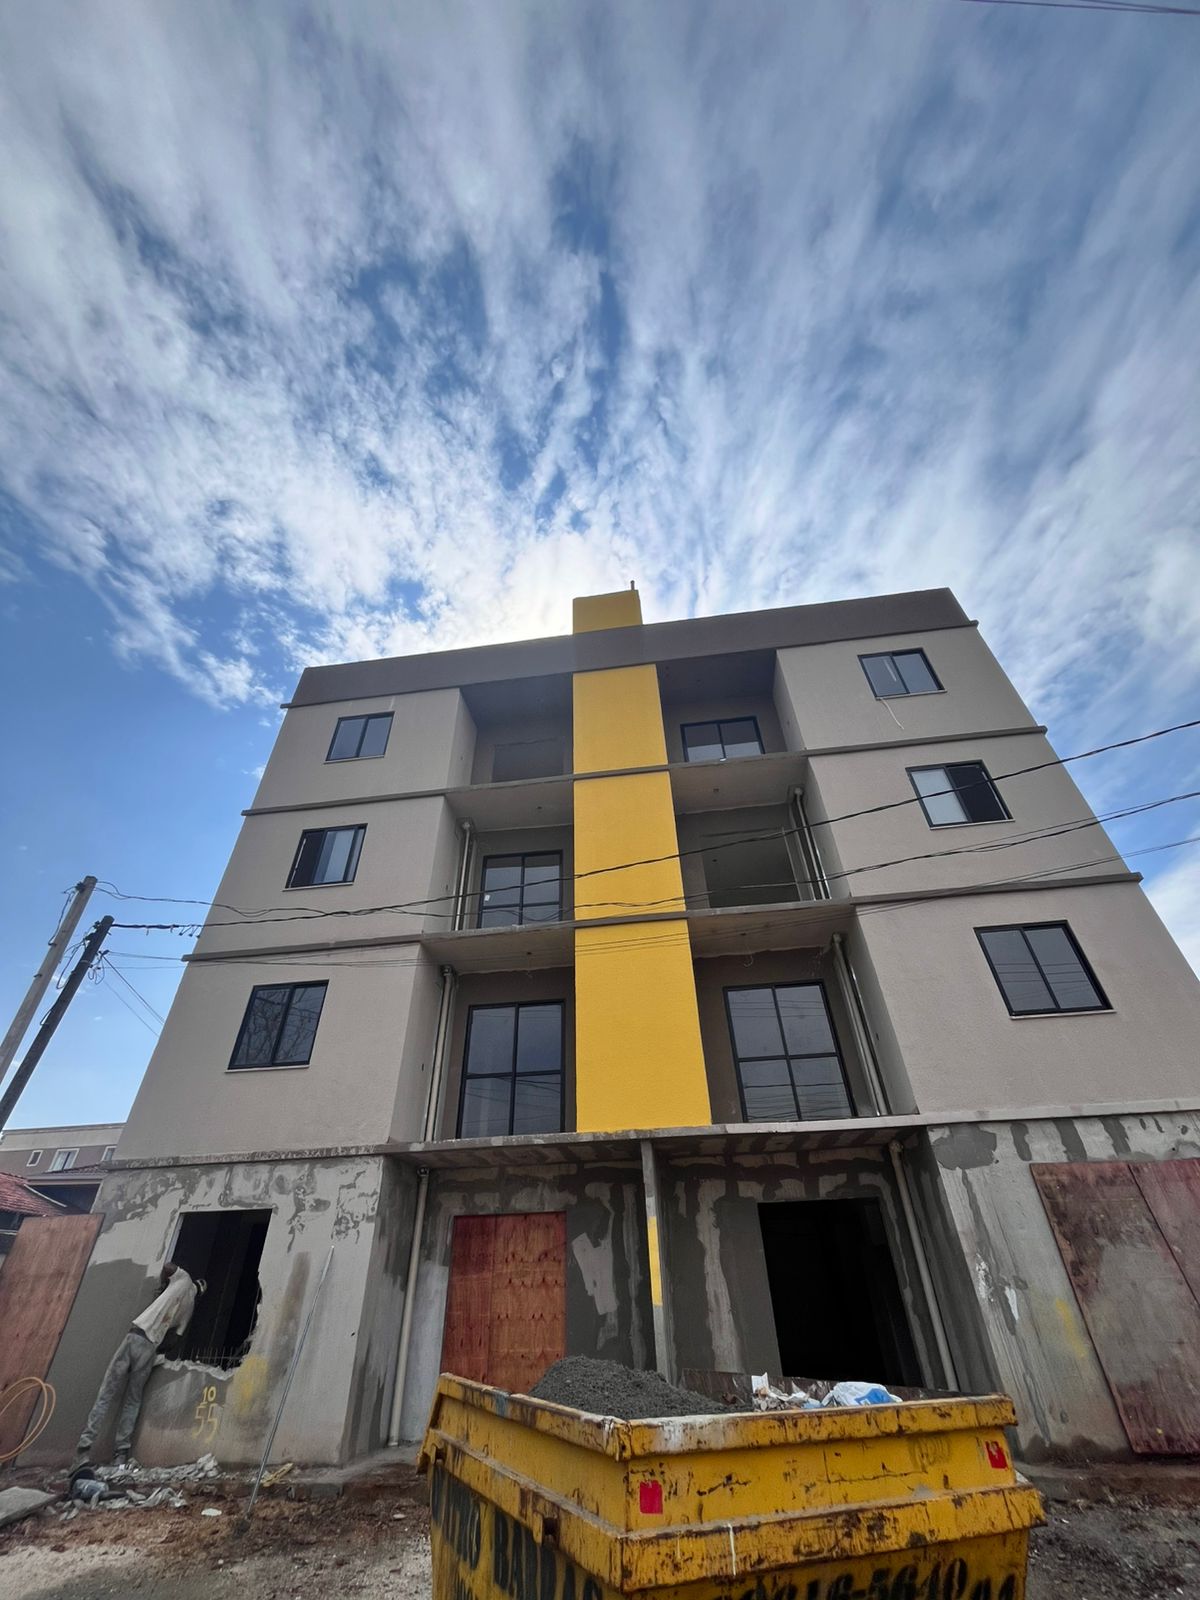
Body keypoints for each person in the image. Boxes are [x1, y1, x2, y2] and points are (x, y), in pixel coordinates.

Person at [75, 1259, 203, 1468]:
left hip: (136, 1336)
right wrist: (158, 1347)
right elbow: (174, 1341)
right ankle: (120, 1454)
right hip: (150, 1348)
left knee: (106, 1394)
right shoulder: (190, 1307)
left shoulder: (184, 1278)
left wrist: (164, 1285)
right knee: (133, 1401)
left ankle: (83, 1451)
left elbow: (168, 1266)